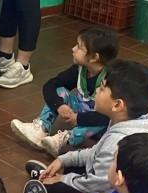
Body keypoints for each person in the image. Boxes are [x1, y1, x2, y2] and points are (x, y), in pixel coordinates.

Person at [27, 60, 148, 193]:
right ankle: (48, 175)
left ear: (118, 105)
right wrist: (63, 160)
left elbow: (96, 185)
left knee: (55, 190)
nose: (97, 90)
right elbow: (98, 151)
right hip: (111, 179)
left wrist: (62, 180)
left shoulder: (119, 141)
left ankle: (44, 183)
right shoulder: (132, 117)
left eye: (103, 88)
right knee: (71, 167)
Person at [10, 26, 118, 156]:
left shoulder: (113, 78)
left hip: (104, 123)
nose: (73, 49)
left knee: (103, 120)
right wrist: (59, 105)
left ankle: (66, 141)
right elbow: (50, 85)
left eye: (78, 47)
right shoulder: (80, 70)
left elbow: (110, 115)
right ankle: (40, 129)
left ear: (94, 57)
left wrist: (79, 118)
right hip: (83, 115)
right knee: (59, 91)